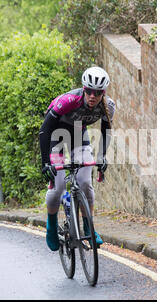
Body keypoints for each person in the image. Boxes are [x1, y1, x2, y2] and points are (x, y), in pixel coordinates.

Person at [39, 66, 115, 251]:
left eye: (97, 93)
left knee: (84, 182)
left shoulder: (108, 106)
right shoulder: (69, 100)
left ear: (103, 93)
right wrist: (46, 163)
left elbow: (106, 131)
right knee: (57, 188)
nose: (92, 96)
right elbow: (44, 130)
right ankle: (50, 226)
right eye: (89, 91)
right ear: (83, 88)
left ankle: (88, 226)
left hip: (78, 135)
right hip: (55, 134)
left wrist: (101, 157)